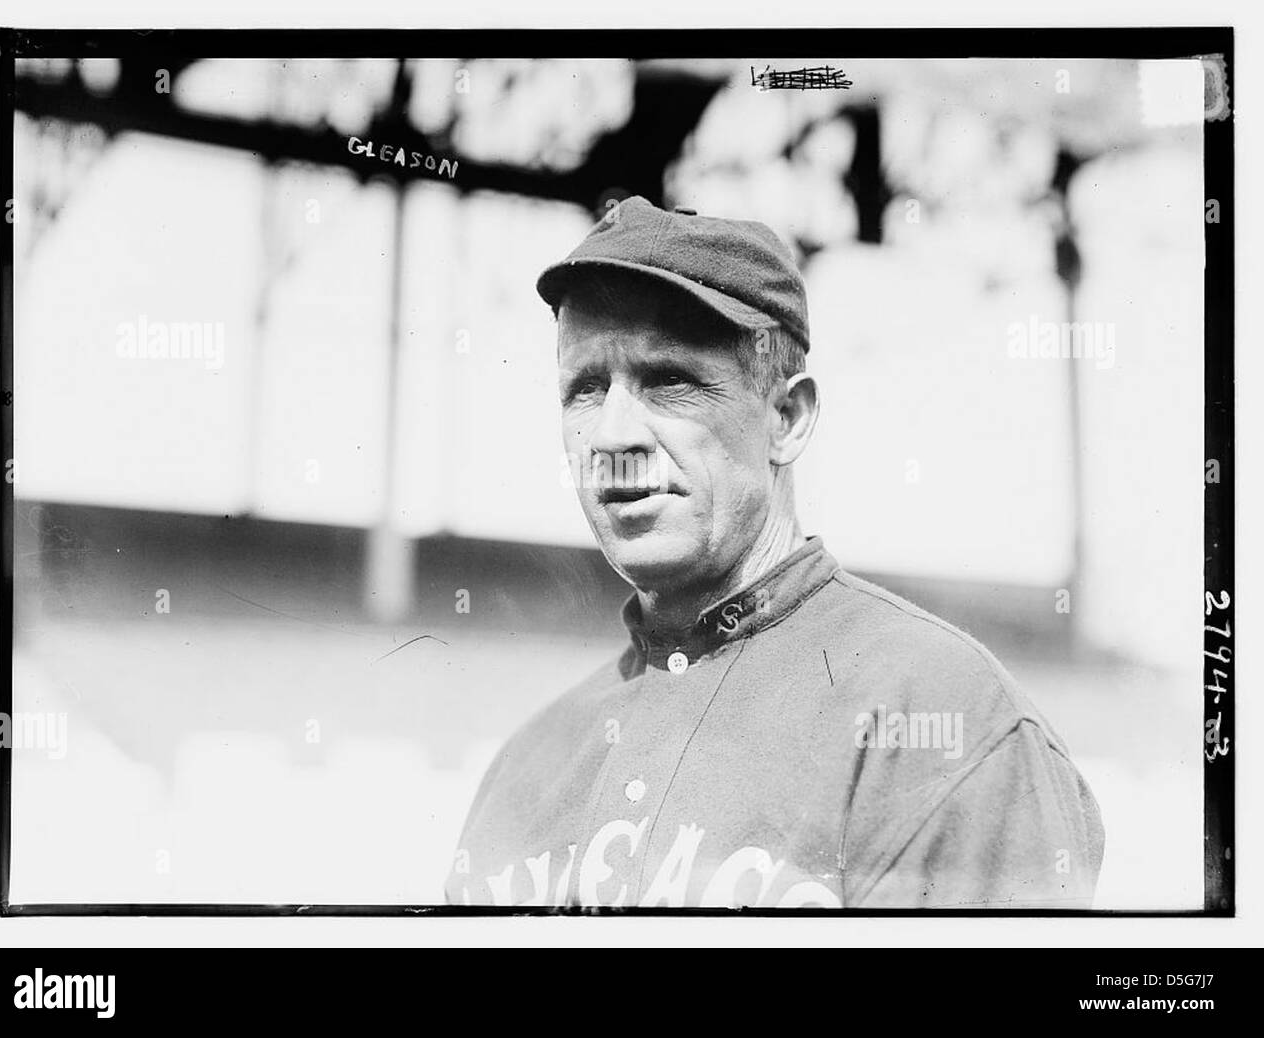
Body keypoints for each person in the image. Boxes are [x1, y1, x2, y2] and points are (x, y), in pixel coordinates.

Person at [444, 196, 1104, 909]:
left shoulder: (942, 721)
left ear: (786, 419)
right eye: (585, 389)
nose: (611, 435)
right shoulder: (525, 767)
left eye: (670, 380)